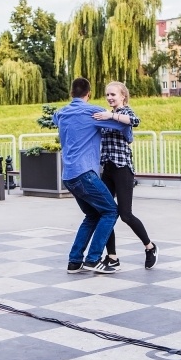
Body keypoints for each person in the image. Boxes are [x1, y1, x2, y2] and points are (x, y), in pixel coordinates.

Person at [53, 77, 134, 274]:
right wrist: (128, 136)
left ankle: (74, 262)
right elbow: (125, 126)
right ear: (88, 94)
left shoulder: (61, 112)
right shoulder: (93, 112)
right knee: (111, 211)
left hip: (68, 176)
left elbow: (55, 118)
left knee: (92, 215)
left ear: (71, 93)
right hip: (85, 174)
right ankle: (93, 259)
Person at [91, 81, 157, 269]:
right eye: (107, 95)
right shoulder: (104, 115)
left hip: (123, 169)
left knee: (125, 214)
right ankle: (112, 256)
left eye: (113, 94)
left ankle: (150, 247)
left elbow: (135, 121)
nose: (109, 97)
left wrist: (111, 116)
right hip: (107, 168)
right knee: (106, 212)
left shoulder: (125, 112)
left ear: (123, 96)